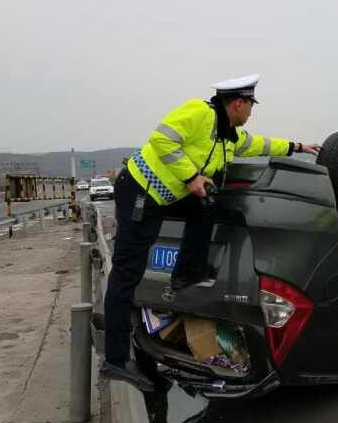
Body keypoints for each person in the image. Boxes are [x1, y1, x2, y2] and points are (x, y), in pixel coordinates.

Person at [100, 74, 321, 390]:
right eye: (250, 106)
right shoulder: (200, 113)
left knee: (204, 208)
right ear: (238, 103)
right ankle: (116, 361)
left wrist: (299, 146)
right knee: (126, 274)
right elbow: (162, 139)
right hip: (140, 193)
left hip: (163, 197)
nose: (251, 114)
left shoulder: (228, 134)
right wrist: (191, 177)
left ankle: (186, 273)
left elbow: (259, 144)